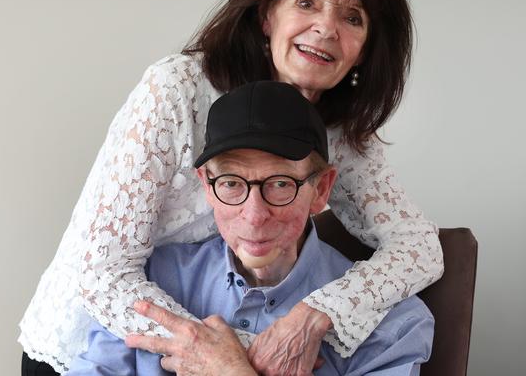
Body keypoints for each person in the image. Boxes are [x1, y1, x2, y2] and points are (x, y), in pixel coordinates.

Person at [19, 0, 443, 376]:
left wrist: (316, 315)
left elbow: (419, 248)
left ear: (364, 50)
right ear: (266, 15)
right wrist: (232, 360)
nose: (325, 28)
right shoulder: (178, 89)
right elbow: (101, 273)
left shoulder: (341, 132)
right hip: (105, 342)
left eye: (352, 17)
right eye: (307, 2)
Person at [66, 81, 434, 376]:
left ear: (320, 190)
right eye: (231, 183)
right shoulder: (149, 284)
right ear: (207, 186)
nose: (254, 216)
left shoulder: (394, 325)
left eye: (279, 184)